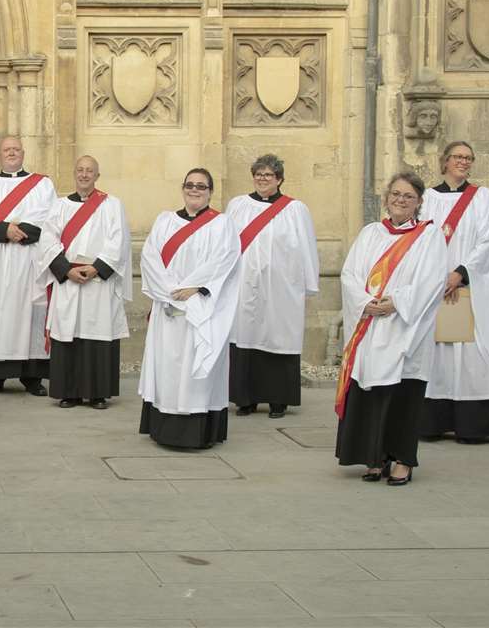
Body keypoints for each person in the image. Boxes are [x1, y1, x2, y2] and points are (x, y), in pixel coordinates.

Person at [334, 172, 448, 486]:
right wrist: (364, 302)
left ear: (419, 202)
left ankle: (401, 460)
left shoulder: (429, 237)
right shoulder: (371, 233)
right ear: (386, 198)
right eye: (395, 194)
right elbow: (350, 274)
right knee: (370, 392)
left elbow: (432, 280)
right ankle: (374, 457)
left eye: (408, 196)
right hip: (369, 324)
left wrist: (395, 303)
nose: (400, 200)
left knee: (403, 395)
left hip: (406, 327)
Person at [418, 141, 489, 444]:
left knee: (473, 351)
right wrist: (435, 276)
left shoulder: (482, 198)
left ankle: (473, 424)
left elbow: (488, 240)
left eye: (468, 158)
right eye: (457, 157)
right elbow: (421, 237)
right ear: (444, 161)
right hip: (434, 285)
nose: (463, 162)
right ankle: (431, 423)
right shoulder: (427, 198)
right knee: (436, 352)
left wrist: (460, 273)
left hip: (470, 284)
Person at [137, 168, 239, 449]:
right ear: (183, 188)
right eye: (190, 185)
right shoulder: (164, 221)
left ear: (210, 192)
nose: (195, 190)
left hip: (201, 307)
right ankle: (165, 429)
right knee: (168, 369)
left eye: (202, 186)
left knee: (196, 371)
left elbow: (225, 261)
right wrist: (170, 291)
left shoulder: (222, 224)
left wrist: (195, 289)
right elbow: (150, 258)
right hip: (168, 304)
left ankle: (197, 432)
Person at [224, 154, 319, 419]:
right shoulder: (238, 206)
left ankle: (279, 400)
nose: (262, 179)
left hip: (282, 287)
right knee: (245, 335)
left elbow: (307, 247)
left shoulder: (295, 209)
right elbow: (226, 245)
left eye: (268, 175)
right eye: (259, 174)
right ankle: (246, 399)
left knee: (278, 336)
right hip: (244, 284)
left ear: (279, 179)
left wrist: (308, 285)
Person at [34, 156, 131, 410]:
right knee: (69, 335)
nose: (85, 175)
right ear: (74, 174)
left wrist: (96, 268)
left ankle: (98, 393)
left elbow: (118, 240)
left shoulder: (112, 205)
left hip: (98, 282)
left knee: (97, 334)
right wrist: (65, 270)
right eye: (80, 170)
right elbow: (48, 240)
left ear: (97, 175)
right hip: (69, 280)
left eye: (90, 171)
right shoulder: (59, 206)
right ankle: (70, 392)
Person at [0, 136, 58, 396]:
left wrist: (20, 231)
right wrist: (5, 230)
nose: (11, 153)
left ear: (23, 153)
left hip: (29, 257)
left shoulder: (42, 184)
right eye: (7, 150)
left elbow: (50, 217)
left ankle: (32, 378)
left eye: (16, 149)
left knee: (30, 312)